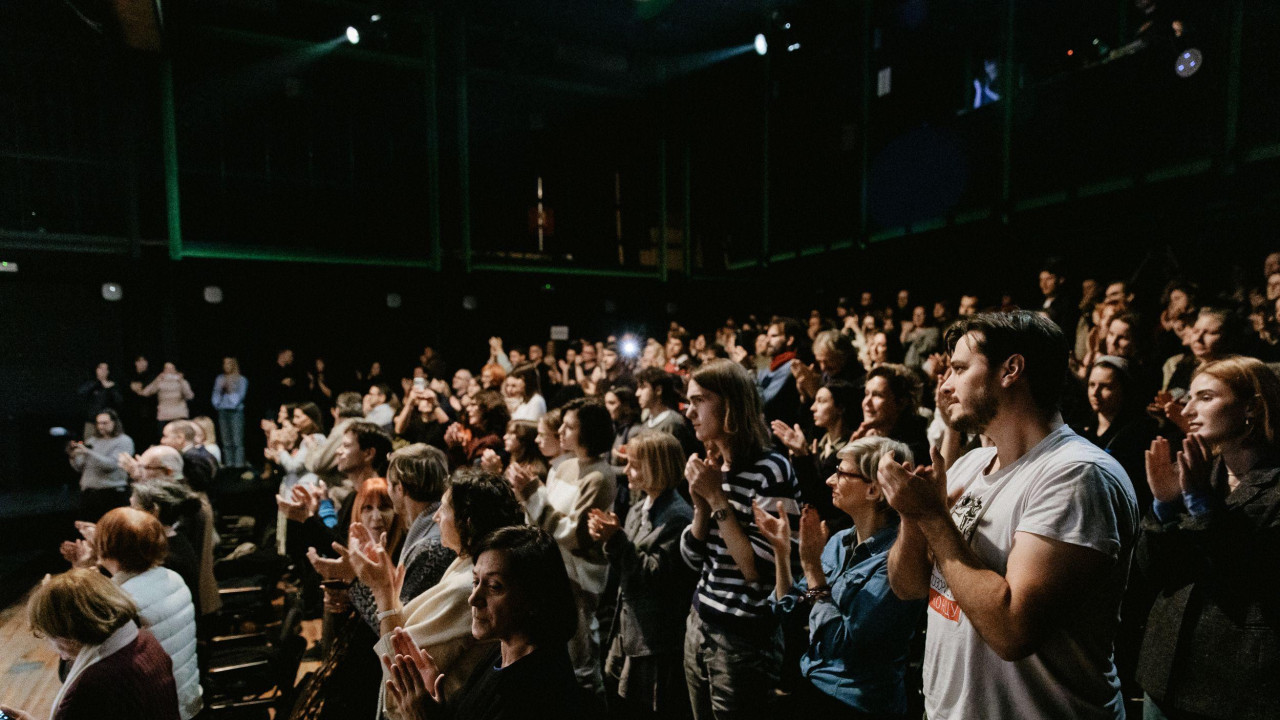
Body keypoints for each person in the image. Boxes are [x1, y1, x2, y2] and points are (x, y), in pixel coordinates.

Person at [877, 310, 1137, 720]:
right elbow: (908, 587)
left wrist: (932, 518)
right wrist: (912, 514)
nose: (945, 385)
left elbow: (1012, 631)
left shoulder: (1077, 474)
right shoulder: (968, 465)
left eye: (960, 369)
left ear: (1011, 369)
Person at [1136, 356, 1280, 719]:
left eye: (1206, 397)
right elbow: (1150, 572)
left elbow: (1246, 579)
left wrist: (1202, 506)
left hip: (1234, 687)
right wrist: (1165, 506)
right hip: (1165, 673)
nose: (1187, 408)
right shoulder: (1203, 471)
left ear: (1251, 408)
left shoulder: (1274, 483)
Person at [755, 436, 926, 718]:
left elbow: (842, 645)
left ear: (873, 490)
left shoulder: (897, 561)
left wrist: (812, 570)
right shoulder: (838, 542)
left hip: (854, 704)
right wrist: (782, 553)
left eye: (842, 473)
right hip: (812, 685)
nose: (829, 481)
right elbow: (792, 611)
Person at [679, 359, 801, 720]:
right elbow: (692, 557)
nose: (689, 412)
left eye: (699, 400)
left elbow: (759, 572)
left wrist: (717, 499)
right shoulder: (716, 467)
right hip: (700, 620)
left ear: (730, 404)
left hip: (743, 638)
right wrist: (701, 505)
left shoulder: (772, 469)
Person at [359, 468, 525, 712]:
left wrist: (383, 594)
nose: (436, 517)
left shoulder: (467, 588)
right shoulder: (465, 562)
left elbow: (401, 667)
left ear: (466, 522)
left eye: (444, 509)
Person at [382, 525, 584, 720]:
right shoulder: (501, 652)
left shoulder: (539, 690)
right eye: (476, 582)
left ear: (533, 598)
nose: (473, 599)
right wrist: (434, 705)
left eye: (494, 586)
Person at [508, 397, 617, 704]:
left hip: (578, 577)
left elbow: (576, 535)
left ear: (589, 432)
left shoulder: (600, 475)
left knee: (581, 657)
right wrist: (526, 495)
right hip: (553, 568)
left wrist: (534, 494)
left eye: (570, 426)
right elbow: (543, 518)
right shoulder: (566, 466)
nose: (563, 431)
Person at [588, 432, 695, 719]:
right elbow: (627, 565)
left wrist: (617, 540)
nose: (626, 471)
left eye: (634, 465)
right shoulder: (638, 508)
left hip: (654, 642)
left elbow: (654, 577)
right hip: (627, 632)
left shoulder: (678, 517)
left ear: (656, 467)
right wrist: (608, 538)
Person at [0, 569, 180, 720]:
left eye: (50, 635)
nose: (52, 646)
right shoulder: (144, 640)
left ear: (69, 633)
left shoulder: (93, 684)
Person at [93, 508, 202, 720]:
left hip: (160, 710)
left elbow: (84, 672)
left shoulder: (121, 601)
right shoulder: (172, 577)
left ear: (106, 546)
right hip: (187, 700)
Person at [771, 379, 860, 528]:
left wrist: (802, 457)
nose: (813, 408)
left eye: (821, 401)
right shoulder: (816, 446)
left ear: (840, 407)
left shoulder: (852, 447)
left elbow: (823, 498)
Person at [68, 409, 135, 521]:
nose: (101, 426)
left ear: (114, 423)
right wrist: (73, 456)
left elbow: (111, 465)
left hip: (111, 493)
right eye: (98, 423)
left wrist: (88, 452)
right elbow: (80, 467)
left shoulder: (124, 441)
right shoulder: (93, 440)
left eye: (105, 423)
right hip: (89, 493)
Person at [855, 364, 929, 461]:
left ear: (901, 403)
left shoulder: (912, 451)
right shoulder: (863, 437)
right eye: (866, 394)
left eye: (878, 395)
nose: (867, 402)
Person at [634, 367, 699, 458]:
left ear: (658, 390)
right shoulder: (646, 425)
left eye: (643, 387)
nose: (637, 393)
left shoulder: (672, 423)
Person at [757, 317, 807, 427]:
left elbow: (762, 402)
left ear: (789, 340)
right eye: (767, 336)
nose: (767, 341)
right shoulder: (771, 365)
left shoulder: (791, 366)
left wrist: (748, 370)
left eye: (774, 336)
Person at [444, 390, 509, 470]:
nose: (468, 409)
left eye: (473, 405)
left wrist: (455, 447)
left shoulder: (492, 442)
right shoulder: (477, 435)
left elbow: (469, 473)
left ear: (487, 408)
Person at [159, 420, 217, 492]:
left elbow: (195, 489)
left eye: (165, 436)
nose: (162, 441)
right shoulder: (199, 454)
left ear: (180, 438)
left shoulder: (191, 459)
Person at [211, 356, 248, 466]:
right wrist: (217, 403)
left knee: (237, 440)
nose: (226, 366)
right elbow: (215, 395)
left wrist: (230, 390)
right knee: (226, 440)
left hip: (236, 412)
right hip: (222, 411)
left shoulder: (241, 379)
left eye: (228, 363)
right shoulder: (220, 378)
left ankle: (239, 464)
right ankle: (229, 464)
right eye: (224, 363)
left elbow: (240, 397)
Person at [140, 363, 194, 435]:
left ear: (175, 370)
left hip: (179, 415)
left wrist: (181, 381)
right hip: (164, 416)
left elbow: (190, 396)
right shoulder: (160, 381)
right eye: (167, 369)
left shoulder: (181, 381)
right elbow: (145, 393)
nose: (169, 371)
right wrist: (157, 380)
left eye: (171, 369)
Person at [78, 362, 123, 442]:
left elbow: (119, 401)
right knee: (89, 443)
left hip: (107, 423)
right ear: (96, 370)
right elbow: (81, 393)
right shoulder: (90, 383)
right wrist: (98, 383)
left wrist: (110, 389)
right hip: (91, 422)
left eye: (105, 369)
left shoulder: (113, 385)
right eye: (100, 368)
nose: (103, 371)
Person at [604, 385, 643, 468]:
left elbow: (636, 467)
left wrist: (605, 470)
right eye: (605, 403)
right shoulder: (614, 427)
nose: (606, 407)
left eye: (611, 403)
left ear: (626, 406)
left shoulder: (635, 431)